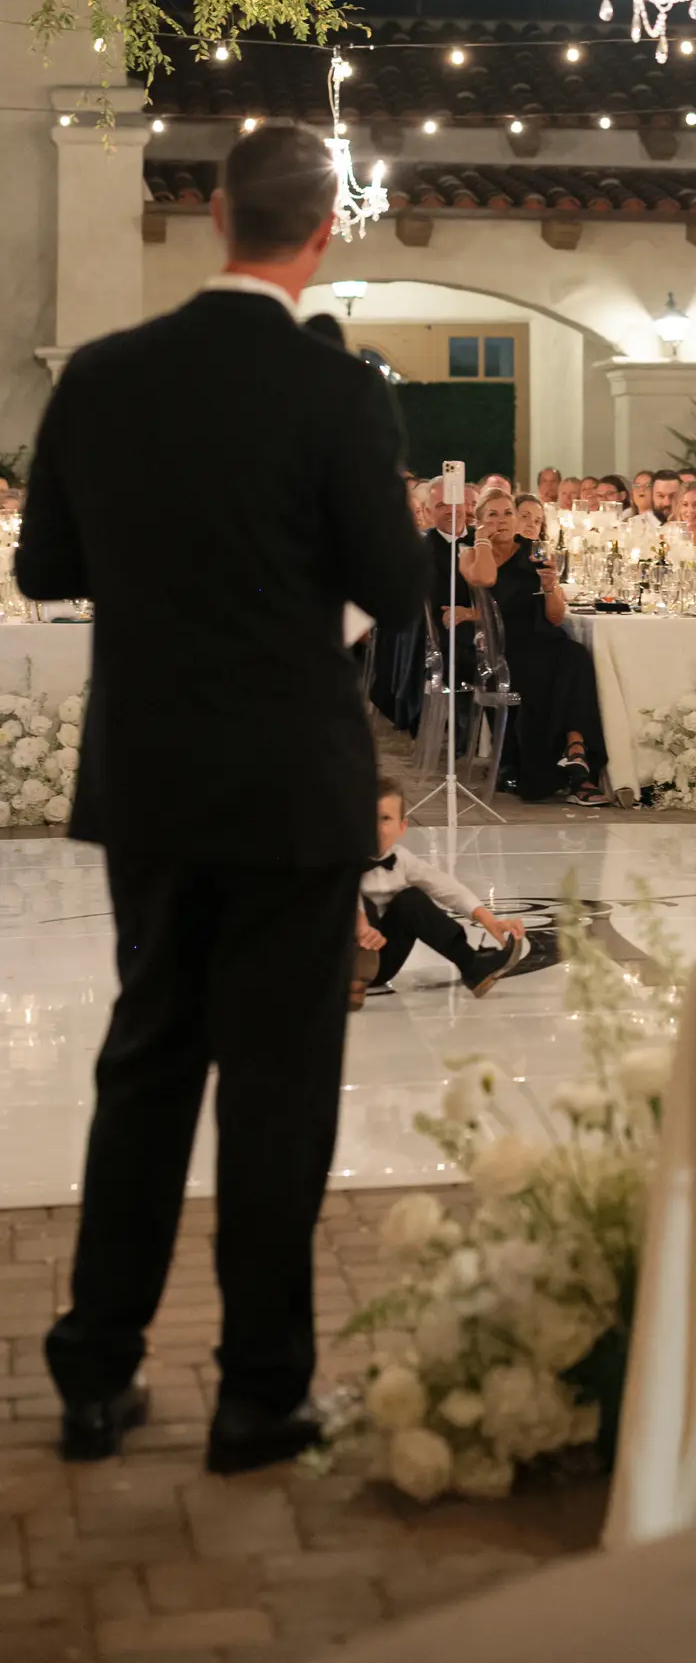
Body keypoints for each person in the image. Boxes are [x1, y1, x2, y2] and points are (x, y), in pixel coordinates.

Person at [17, 123, 426, 1473]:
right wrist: (300, 623)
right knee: (278, 1087)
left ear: (211, 217)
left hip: (150, 771)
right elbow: (392, 579)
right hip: (294, 784)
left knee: (146, 1064)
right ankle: (259, 1393)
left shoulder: (106, 375)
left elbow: (41, 570)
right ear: (320, 234)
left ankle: (92, 1373)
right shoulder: (338, 392)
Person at [461, 489, 606, 803]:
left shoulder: (534, 552)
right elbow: (485, 579)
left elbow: (555, 617)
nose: (502, 521)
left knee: (575, 656)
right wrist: (483, 539)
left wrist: (550, 586)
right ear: (479, 521)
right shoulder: (469, 554)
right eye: (493, 515)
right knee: (552, 671)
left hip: (542, 640)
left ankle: (576, 751)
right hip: (503, 652)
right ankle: (571, 769)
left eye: (508, 514)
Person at [358, 777, 529, 996]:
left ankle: (472, 965)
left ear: (402, 827)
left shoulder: (401, 860)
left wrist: (488, 919)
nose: (376, 827)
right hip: (342, 961)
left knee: (411, 900)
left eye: (385, 818)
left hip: (379, 962)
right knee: (351, 901)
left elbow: (445, 887)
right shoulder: (341, 860)